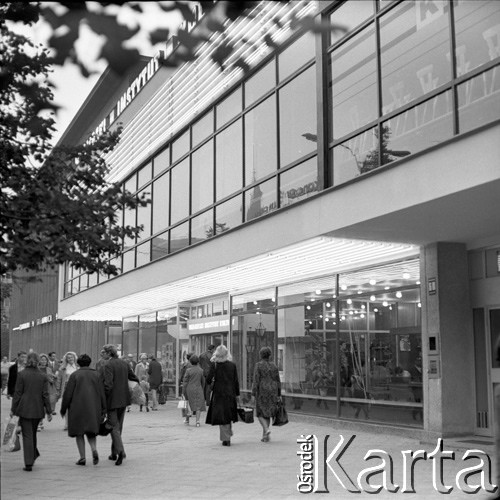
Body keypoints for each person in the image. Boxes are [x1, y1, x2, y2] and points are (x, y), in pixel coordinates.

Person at [60, 354, 106, 466]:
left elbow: (68, 393)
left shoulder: (75, 375)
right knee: (91, 432)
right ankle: (94, 449)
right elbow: (102, 392)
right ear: (89, 362)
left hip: (77, 407)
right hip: (93, 407)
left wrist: (63, 408)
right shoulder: (97, 374)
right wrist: (104, 408)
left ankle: (82, 458)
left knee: (79, 432)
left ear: (78, 363)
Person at [10, 352, 53, 471]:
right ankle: (33, 455)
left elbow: (17, 393)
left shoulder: (21, 374)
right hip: (38, 408)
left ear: (27, 361)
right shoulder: (42, 375)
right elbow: (45, 395)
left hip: (24, 408)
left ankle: (28, 462)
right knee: (33, 433)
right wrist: (49, 411)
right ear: (38, 361)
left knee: (27, 435)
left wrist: (13, 409)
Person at [102, 344, 139, 465]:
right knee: (118, 427)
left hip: (112, 400)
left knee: (113, 427)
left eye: (104, 352)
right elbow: (134, 378)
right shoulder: (125, 363)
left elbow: (108, 385)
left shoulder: (108, 365)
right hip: (124, 399)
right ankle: (113, 453)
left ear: (108, 353)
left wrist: (103, 399)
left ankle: (120, 452)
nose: (103, 354)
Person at [205, 345, 240, 446]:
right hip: (230, 393)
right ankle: (227, 433)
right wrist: (237, 394)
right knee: (228, 414)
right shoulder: (232, 365)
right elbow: (236, 381)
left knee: (221, 415)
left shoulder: (214, 365)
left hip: (219, 393)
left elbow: (208, 380)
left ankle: (226, 438)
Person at [251, 346, 281, 443]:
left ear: (261, 355)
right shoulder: (274, 366)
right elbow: (278, 380)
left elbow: (256, 380)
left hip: (262, 391)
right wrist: (279, 394)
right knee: (267, 413)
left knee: (260, 413)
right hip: (273, 391)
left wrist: (253, 393)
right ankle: (265, 437)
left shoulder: (258, 365)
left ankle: (266, 429)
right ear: (270, 355)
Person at [56, 351, 78, 430]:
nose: (70, 359)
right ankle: (67, 424)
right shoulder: (63, 368)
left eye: (71, 357)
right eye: (68, 358)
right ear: (66, 359)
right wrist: (58, 390)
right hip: (66, 389)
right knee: (67, 406)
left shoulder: (78, 367)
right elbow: (59, 380)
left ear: (75, 358)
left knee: (75, 407)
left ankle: (74, 423)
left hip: (76, 389)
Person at [182, 354, 206, 426]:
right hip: (198, 388)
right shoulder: (201, 370)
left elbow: (185, 381)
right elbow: (203, 381)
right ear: (198, 362)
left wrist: (183, 391)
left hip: (189, 388)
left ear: (190, 362)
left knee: (187, 403)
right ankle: (197, 421)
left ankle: (187, 420)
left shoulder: (188, 370)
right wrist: (202, 388)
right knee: (198, 405)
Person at [37, 354, 57, 430]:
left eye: (45, 360)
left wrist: (54, 378)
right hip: (39, 389)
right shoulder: (37, 368)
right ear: (39, 360)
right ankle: (39, 422)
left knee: (45, 406)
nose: (43, 361)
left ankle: (41, 421)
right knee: (40, 406)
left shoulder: (49, 368)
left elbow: (52, 378)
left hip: (48, 389)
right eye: (42, 359)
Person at [179, 352, 193, 424]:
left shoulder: (185, 365)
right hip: (193, 384)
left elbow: (181, 375)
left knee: (185, 401)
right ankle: (196, 418)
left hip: (186, 384)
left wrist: (180, 382)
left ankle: (187, 418)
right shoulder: (196, 366)